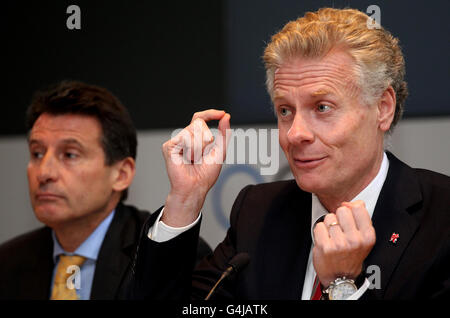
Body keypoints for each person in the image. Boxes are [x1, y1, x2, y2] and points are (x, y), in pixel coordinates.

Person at [132, 8, 450, 299]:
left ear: (382, 108)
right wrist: (185, 199)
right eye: (285, 110)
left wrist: (341, 286)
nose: (295, 133)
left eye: (322, 107)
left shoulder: (441, 220)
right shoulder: (259, 211)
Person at [0, 81, 211, 300]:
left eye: (70, 155)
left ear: (121, 174)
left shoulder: (169, 255)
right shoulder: (8, 263)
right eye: (37, 153)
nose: (44, 173)